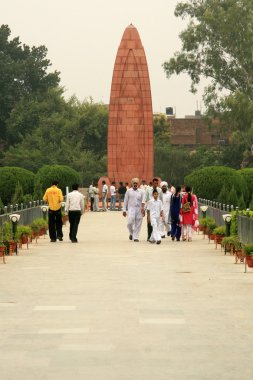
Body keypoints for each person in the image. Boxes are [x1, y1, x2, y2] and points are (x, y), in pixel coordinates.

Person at [123, 178, 145, 242]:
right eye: (134, 183)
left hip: (139, 209)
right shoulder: (128, 191)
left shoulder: (141, 191)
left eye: (136, 183)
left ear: (138, 184)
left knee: (138, 224)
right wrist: (124, 210)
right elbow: (125, 201)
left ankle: (136, 237)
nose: (135, 184)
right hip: (131, 209)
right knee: (130, 223)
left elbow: (143, 201)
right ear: (132, 184)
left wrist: (144, 209)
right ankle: (131, 233)